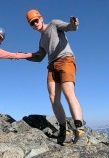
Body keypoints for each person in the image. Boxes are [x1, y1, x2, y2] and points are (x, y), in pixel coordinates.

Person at [25, 9, 85, 145]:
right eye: (32, 23)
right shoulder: (41, 40)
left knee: (68, 93)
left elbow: (69, 27)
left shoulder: (53, 24)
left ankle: (79, 128)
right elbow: (39, 57)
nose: (35, 24)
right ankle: (64, 130)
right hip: (51, 65)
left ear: (41, 18)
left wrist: (74, 24)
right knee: (53, 97)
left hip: (65, 59)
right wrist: (23, 56)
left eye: (36, 20)